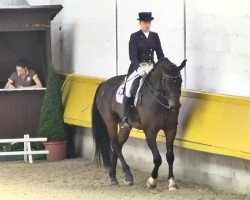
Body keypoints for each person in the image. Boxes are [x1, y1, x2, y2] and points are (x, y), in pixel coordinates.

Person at [120, 12, 165, 129]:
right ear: (140, 23)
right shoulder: (134, 36)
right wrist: (138, 68)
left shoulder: (155, 36)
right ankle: (125, 117)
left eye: (149, 22)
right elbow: (132, 56)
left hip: (151, 67)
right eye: (145, 22)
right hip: (138, 67)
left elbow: (160, 54)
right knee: (129, 87)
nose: (147, 25)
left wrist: (163, 66)